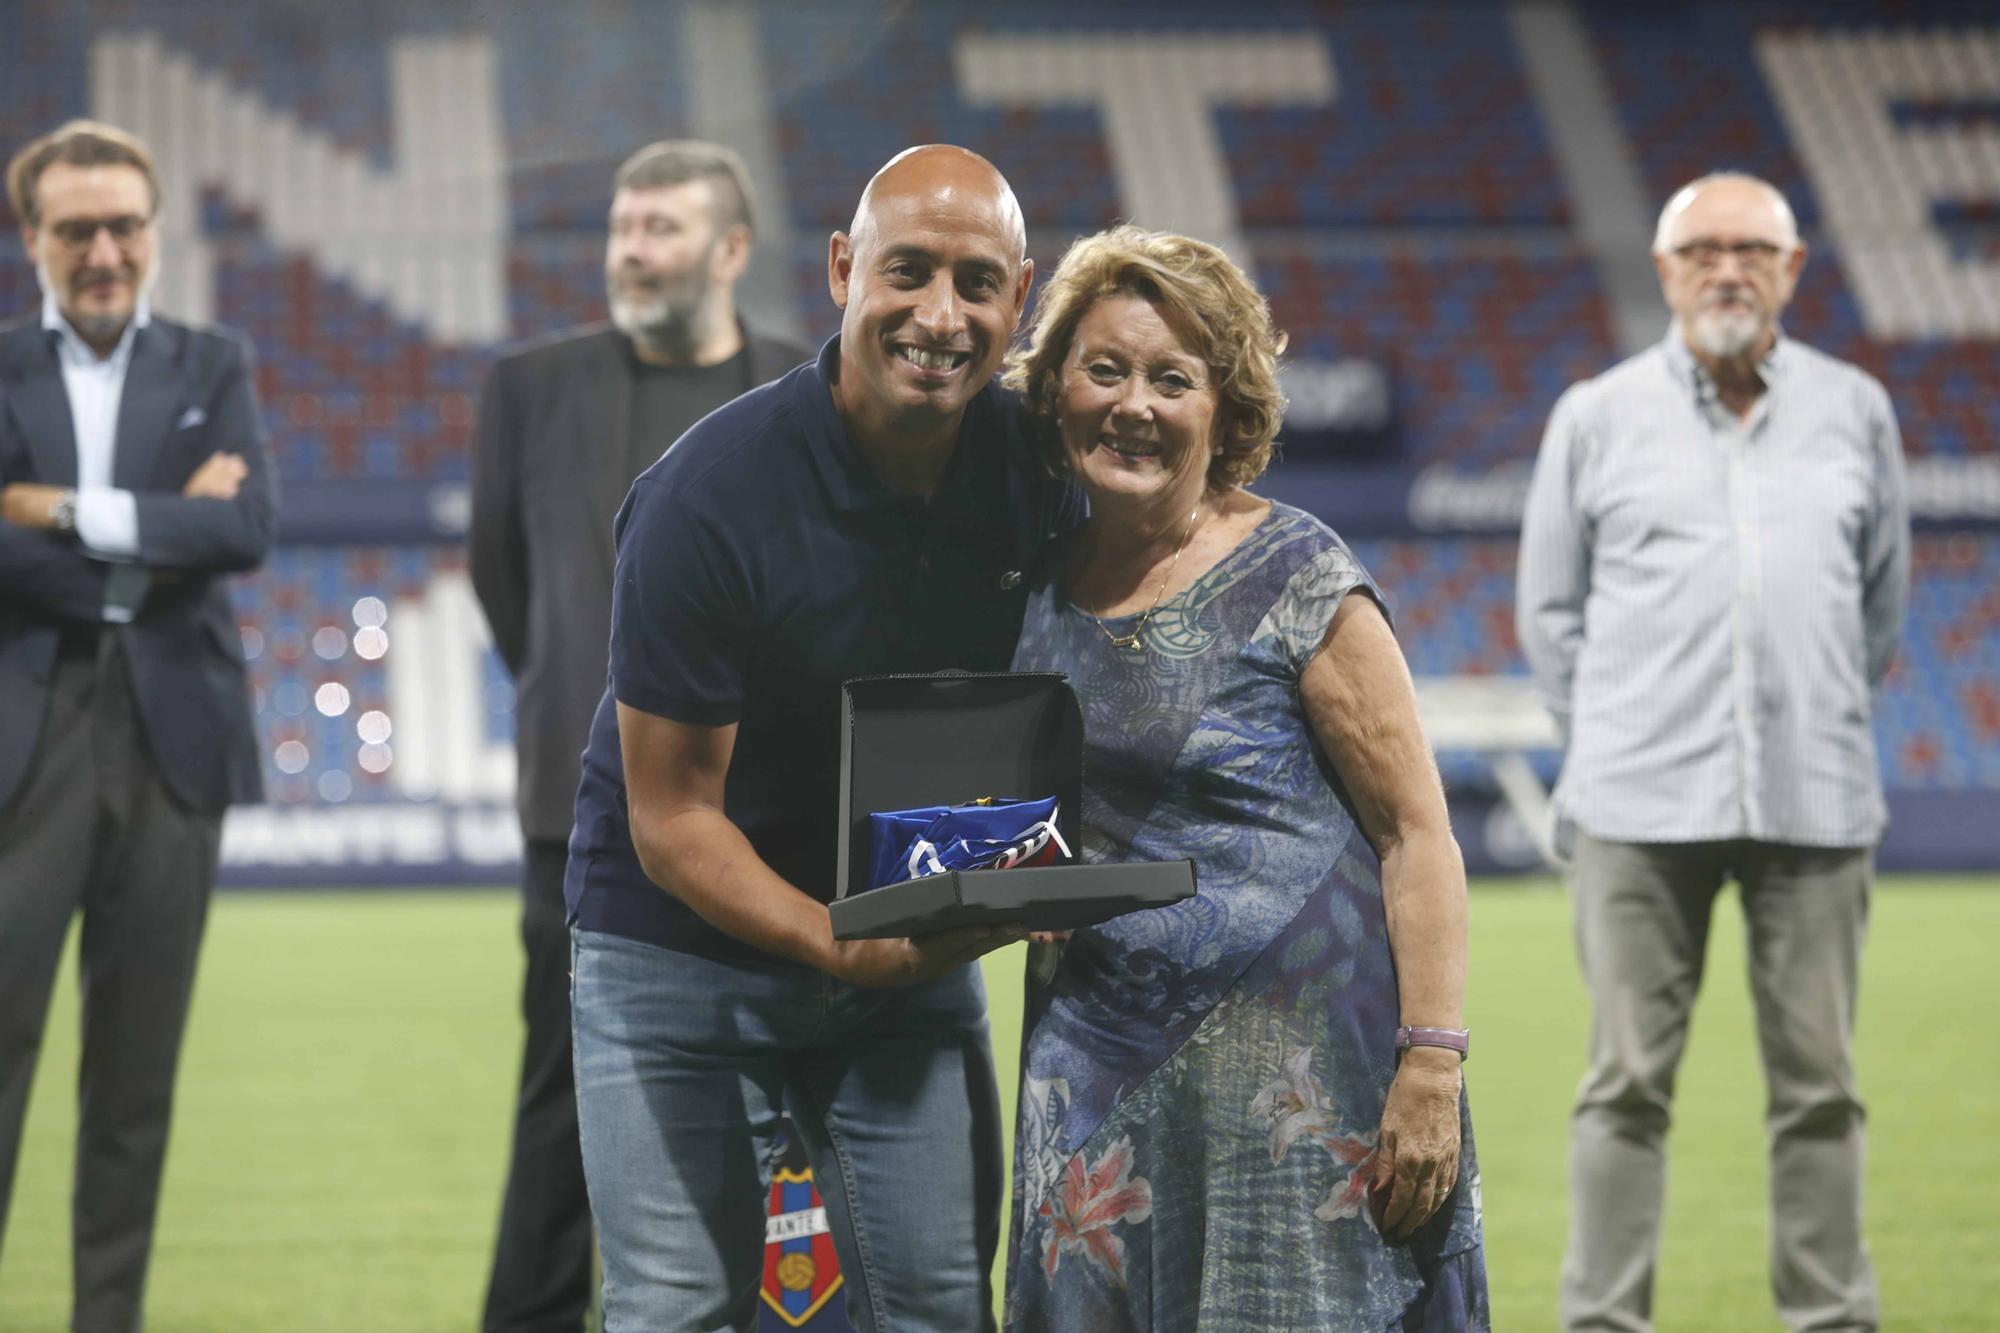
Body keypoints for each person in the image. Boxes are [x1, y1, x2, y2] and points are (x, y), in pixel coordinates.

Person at [563, 144, 1077, 1332]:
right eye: (907, 272)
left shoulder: (1039, 474)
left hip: (900, 949)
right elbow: (671, 815)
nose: (939, 318)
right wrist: (832, 941)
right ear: (843, 268)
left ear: (1021, 296)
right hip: (673, 953)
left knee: (940, 1305)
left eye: (976, 282)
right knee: (677, 1307)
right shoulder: (708, 495)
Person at [1002, 225, 1488, 1331]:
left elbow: (1418, 834)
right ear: (1054, 389)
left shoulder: (1301, 576)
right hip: (1093, 1097)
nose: (1132, 403)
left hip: (1299, 1104)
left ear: (1222, 409)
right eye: (1104, 368)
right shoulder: (1023, 579)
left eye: (1171, 379)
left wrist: (1433, 1064)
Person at [1517, 172, 1908, 1333]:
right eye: (1701, 252)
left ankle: (1829, 1319)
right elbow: (1548, 616)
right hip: (1635, 807)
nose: (1725, 270)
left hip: (1815, 802)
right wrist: (1611, 743)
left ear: (1791, 270)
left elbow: (1876, 606)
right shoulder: (1595, 415)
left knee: (1819, 1094)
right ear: (1663, 271)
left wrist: (1817, 707)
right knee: (1622, 1088)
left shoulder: (1856, 411)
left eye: (1750, 250)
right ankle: (1603, 1321)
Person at [468, 138, 809, 1333]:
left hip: (770, 828)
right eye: (621, 226)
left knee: (786, 1111)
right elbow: (508, 592)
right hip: (579, 822)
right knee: (558, 1111)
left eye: (660, 228)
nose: (630, 248)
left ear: (729, 250)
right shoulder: (527, 389)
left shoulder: (802, 388)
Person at [0, 119, 275, 1333]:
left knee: (134, 1080)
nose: (105, 250)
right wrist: (161, 524)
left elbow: (245, 530)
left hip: (173, 744)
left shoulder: (214, 365)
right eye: (77, 229)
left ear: (155, 232)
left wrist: (61, 513)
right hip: (27, 734)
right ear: (33, 240)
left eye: (126, 226)